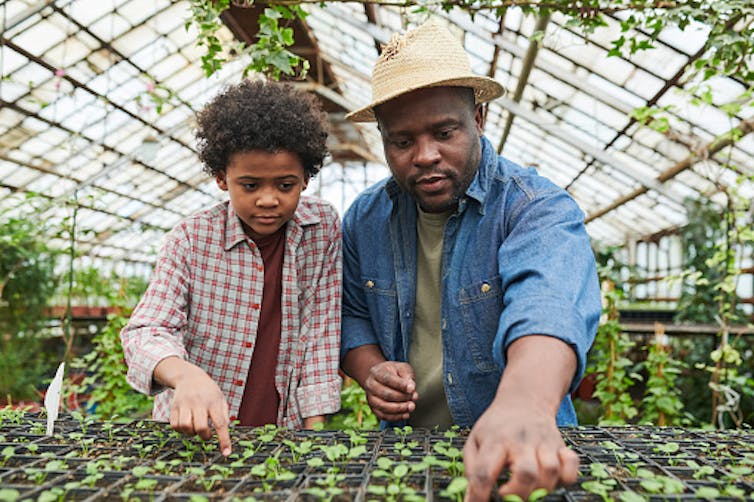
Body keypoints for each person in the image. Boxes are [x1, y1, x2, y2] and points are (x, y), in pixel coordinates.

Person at [340, 20, 601, 500]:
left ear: (478, 118)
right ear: (382, 137)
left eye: (444, 132)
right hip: (404, 456)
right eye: (401, 141)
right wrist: (370, 368)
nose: (424, 155)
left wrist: (525, 402)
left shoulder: (533, 207)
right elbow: (353, 312)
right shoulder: (365, 218)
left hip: (517, 457)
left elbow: (549, 301)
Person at [121, 80, 342, 457]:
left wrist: (313, 437)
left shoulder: (320, 229)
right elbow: (146, 329)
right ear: (222, 179)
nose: (268, 199)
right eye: (250, 185)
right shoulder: (192, 239)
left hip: (281, 430)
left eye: (285, 184)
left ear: (306, 177)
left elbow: (321, 333)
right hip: (195, 432)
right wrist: (185, 375)